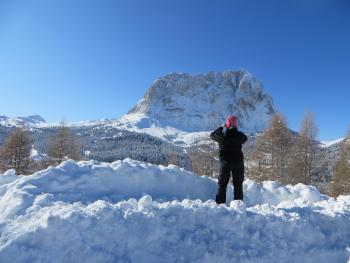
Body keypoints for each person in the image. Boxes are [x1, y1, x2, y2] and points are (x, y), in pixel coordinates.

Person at [210, 115, 248, 204]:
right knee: (238, 185)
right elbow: (245, 138)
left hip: (225, 163)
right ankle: (238, 206)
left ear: (227, 124)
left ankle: (220, 206)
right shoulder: (239, 136)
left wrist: (221, 127)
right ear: (236, 124)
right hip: (238, 162)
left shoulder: (222, 135)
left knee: (222, 185)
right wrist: (235, 130)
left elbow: (212, 135)